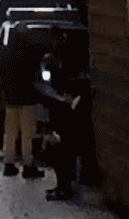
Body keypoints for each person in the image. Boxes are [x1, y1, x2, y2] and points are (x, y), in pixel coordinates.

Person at [35, 51, 93, 200]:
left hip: (66, 125)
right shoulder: (72, 80)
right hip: (68, 124)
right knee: (64, 158)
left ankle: (64, 188)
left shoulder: (61, 82)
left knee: (62, 158)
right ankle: (64, 187)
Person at [0, 23, 45, 179]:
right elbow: (36, 76)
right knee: (27, 134)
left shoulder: (5, 53)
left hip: (10, 100)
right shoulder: (31, 53)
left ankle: (9, 163)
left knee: (10, 133)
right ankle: (28, 165)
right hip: (28, 100)